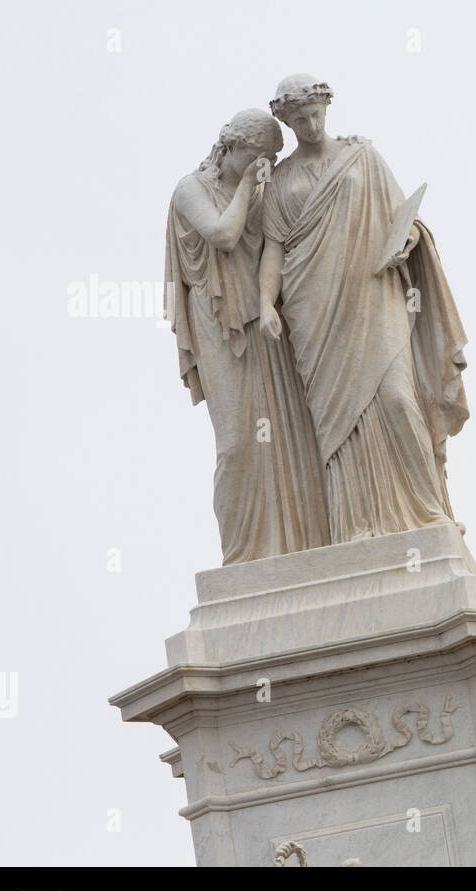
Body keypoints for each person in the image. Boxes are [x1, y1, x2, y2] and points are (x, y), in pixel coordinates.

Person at [259, 74, 469, 542]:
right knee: (338, 421)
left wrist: (408, 241)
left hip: (374, 292)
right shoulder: (281, 180)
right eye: (300, 119)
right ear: (287, 122)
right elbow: (273, 247)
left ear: (327, 110)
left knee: (397, 397)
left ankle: (428, 510)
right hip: (313, 309)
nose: (311, 125)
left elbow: (404, 218)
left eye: (316, 114)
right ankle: (356, 526)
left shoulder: (363, 158)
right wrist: (265, 303)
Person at [164, 108, 330, 564]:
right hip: (219, 322)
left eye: (273, 160)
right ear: (231, 147)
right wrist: (247, 187)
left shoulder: (261, 190)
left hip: (263, 320)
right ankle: (243, 556)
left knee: (287, 432)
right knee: (238, 442)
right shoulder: (190, 189)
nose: (268, 168)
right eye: (260, 157)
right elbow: (223, 235)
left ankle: (299, 546)